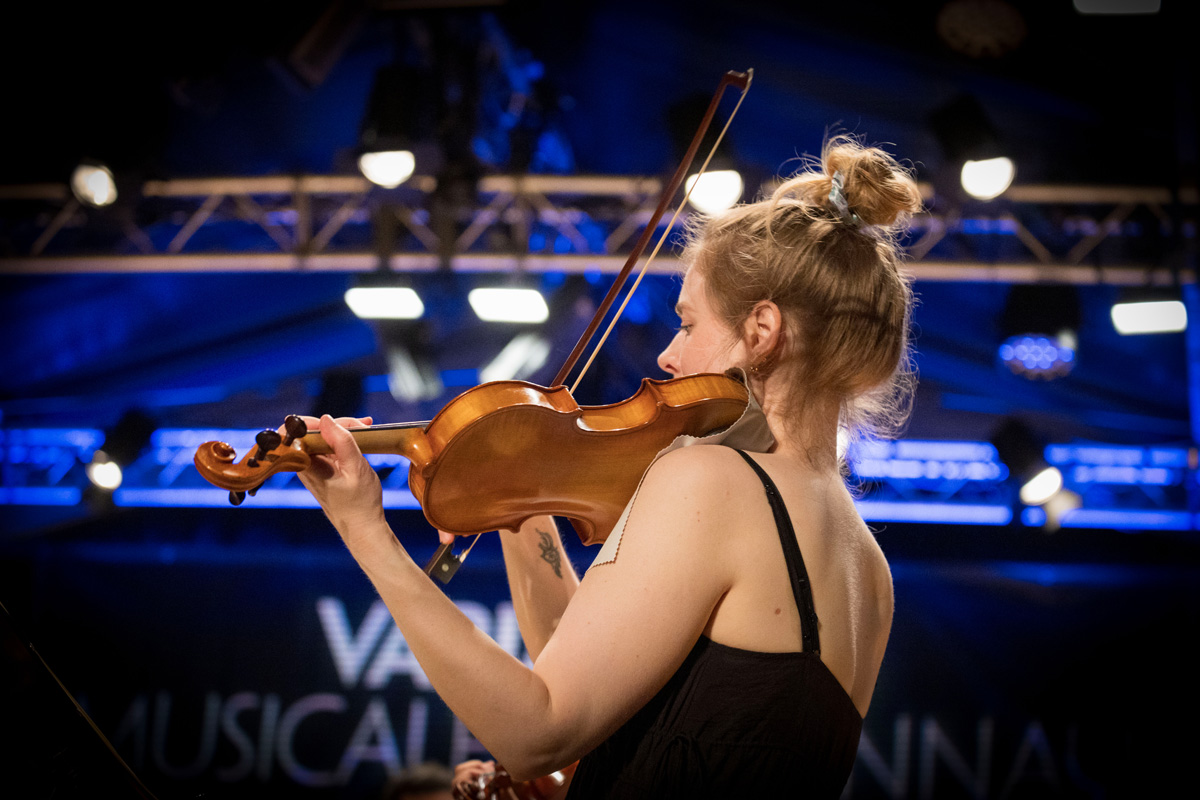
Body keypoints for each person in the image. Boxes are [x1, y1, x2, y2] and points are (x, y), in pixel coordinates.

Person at [297, 134, 922, 798]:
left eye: (688, 324)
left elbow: (537, 734)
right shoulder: (867, 568)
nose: (669, 357)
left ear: (761, 332)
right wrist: (519, 506)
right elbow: (592, 686)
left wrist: (365, 530)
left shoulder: (714, 480)